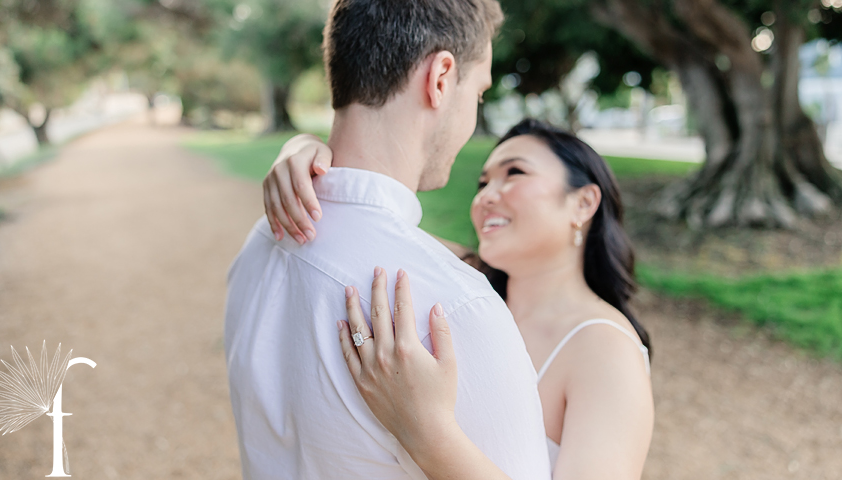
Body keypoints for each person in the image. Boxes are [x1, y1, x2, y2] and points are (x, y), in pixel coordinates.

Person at [224, 0, 552, 480]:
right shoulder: (456, 308)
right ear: (441, 79)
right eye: (479, 92)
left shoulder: (259, 246)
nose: (474, 114)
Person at [263, 118, 654, 479]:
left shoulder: (605, 349)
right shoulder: (464, 283)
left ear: (583, 203)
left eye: (514, 173)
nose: (485, 196)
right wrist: (301, 150)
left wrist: (425, 431)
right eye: (482, 183)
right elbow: (360, 223)